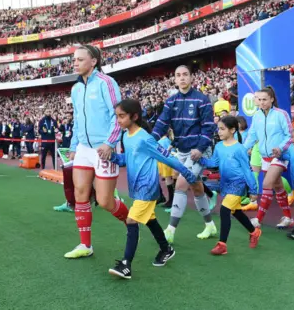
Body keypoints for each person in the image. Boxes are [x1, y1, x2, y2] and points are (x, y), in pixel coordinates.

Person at [108, 99, 199, 279]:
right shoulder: (126, 136)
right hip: (137, 188)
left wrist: (188, 175)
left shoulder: (145, 138)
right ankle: (166, 249)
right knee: (150, 219)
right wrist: (113, 158)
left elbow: (169, 159)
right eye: (117, 116)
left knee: (132, 221)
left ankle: (126, 264)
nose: (118, 120)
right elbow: (128, 158)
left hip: (147, 188)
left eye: (122, 116)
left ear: (134, 116)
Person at [64, 45, 127, 259]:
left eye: (80, 59)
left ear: (94, 61)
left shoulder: (106, 83)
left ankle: (131, 221)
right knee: (80, 195)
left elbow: (118, 115)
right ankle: (85, 245)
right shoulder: (75, 89)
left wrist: (110, 143)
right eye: (74, 59)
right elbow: (77, 120)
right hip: (83, 148)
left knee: (104, 201)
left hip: (104, 147)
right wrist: (74, 146)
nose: (75, 63)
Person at [152, 65, 218, 244]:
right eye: (178, 75)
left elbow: (208, 127)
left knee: (181, 184)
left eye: (185, 75)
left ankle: (170, 231)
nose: (182, 78)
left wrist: (199, 148)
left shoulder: (202, 100)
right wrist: (150, 142)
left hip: (198, 150)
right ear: (174, 79)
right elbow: (161, 124)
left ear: (191, 77)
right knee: (196, 187)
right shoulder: (171, 101)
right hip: (181, 150)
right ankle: (210, 226)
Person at [200, 116, 262, 255]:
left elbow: (247, 170)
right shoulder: (219, 146)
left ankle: (222, 245)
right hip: (225, 183)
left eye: (222, 129)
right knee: (236, 211)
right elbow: (213, 163)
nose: (219, 132)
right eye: (218, 129)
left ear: (233, 130)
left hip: (238, 184)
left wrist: (253, 189)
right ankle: (254, 232)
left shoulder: (240, 149)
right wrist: (201, 159)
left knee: (224, 210)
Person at [243, 86, 294, 229]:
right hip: (264, 157)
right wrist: (241, 150)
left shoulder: (281, 114)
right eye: (259, 99)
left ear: (272, 99)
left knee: (266, 184)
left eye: (265, 99)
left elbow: (289, 135)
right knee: (278, 187)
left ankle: (258, 219)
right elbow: (251, 136)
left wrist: (280, 148)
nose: (262, 102)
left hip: (280, 156)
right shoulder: (256, 116)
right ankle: (288, 218)